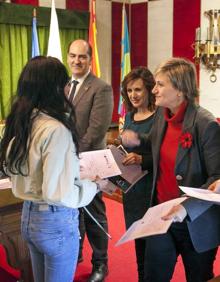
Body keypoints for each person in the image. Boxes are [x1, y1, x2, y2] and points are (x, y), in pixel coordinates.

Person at [0, 56, 104, 282]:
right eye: (65, 83)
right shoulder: (55, 129)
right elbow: (58, 193)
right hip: (54, 221)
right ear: (55, 87)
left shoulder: (22, 122)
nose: (67, 89)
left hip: (28, 217)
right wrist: (93, 186)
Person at [121, 57, 220, 282]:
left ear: (180, 89)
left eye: (160, 84)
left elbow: (217, 178)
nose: (153, 90)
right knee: (153, 276)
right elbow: (158, 142)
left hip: (195, 221)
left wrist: (186, 208)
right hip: (161, 214)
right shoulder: (162, 117)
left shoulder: (206, 124)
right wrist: (138, 139)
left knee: (199, 277)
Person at [67, 39, 113, 282]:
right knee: (73, 210)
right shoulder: (65, 86)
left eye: (82, 57)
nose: (77, 61)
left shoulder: (101, 87)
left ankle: (101, 263)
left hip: (91, 161)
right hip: (68, 161)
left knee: (94, 213)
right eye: (73, 56)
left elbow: (96, 130)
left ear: (90, 58)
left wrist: (73, 156)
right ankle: (76, 254)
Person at [120, 67, 155, 282]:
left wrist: (142, 159)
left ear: (149, 90)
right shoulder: (130, 116)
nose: (133, 94)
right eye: (129, 90)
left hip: (152, 189)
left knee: (156, 248)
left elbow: (167, 156)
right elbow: (128, 150)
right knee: (139, 244)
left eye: (138, 89)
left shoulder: (160, 116)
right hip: (132, 191)